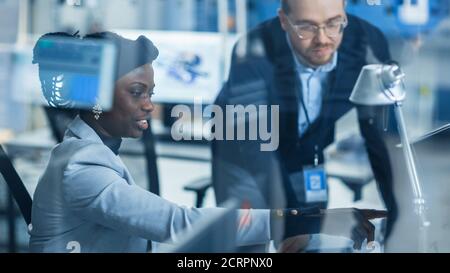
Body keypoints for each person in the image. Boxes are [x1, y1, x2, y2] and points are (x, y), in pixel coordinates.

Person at [29, 31, 386, 253]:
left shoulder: (89, 151)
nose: (150, 105)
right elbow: (179, 222)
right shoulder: (81, 168)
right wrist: (307, 221)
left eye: (150, 93)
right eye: (137, 93)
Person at [213, 0, 398, 241]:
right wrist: (295, 223)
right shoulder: (252, 51)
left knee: (312, 238)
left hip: (308, 147)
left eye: (333, 23)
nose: (323, 39)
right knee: (251, 237)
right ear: (283, 20)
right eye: (307, 27)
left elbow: (379, 139)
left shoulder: (367, 45)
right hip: (243, 153)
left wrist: (398, 214)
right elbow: (257, 152)